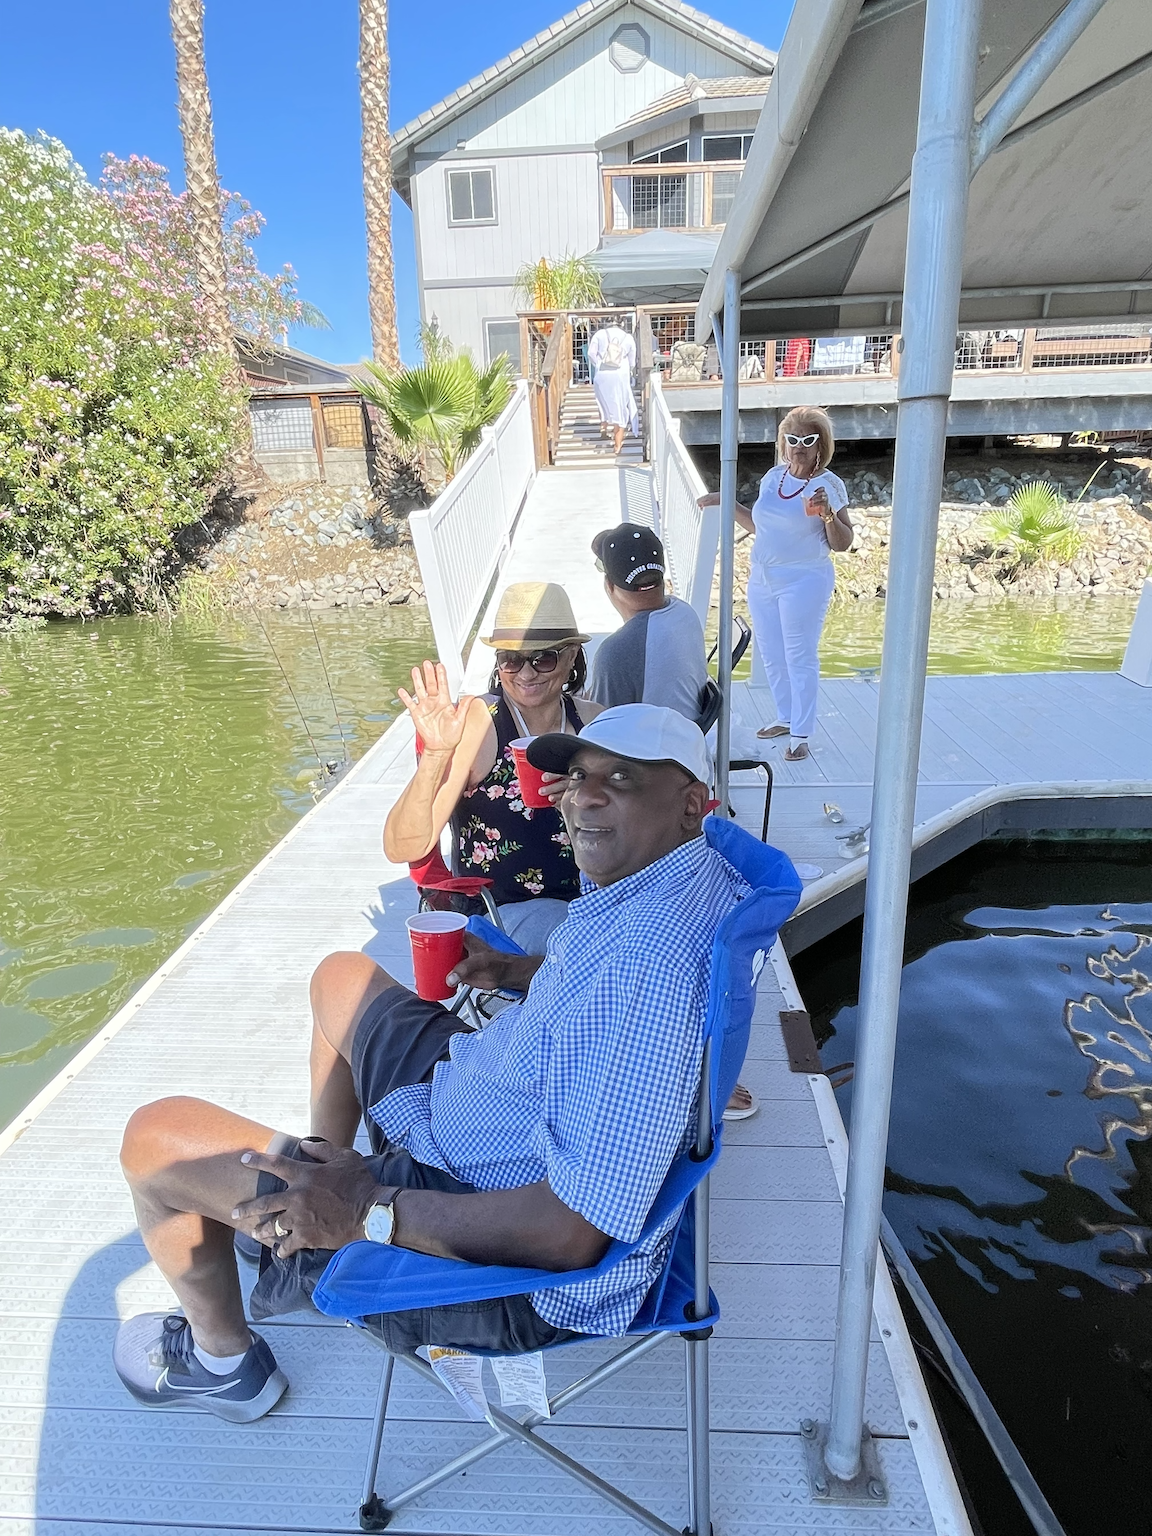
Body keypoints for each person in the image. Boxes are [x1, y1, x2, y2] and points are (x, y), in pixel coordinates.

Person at [112, 705, 754, 1420]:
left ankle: (223, 1361)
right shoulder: (683, 880)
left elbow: (570, 1236)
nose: (583, 796)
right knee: (342, 980)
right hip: (486, 1097)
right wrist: (515, 972)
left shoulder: (650, 970)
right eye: (576, 777)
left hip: (494, 1241)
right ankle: (301, 1207)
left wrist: (363, 1212)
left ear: (693, 804)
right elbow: (597, 994)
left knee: (155, 1139)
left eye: (623, 779)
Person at [383, 582, 600, 954]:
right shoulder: (480, 723)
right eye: (511, 659)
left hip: (597, 900)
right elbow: (403, 845)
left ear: (572, 656)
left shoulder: (594, 722)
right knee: (582, 945)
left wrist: (588, 793)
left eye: (544, 658)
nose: (526, 673)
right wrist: (436, 754)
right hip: (506, 913)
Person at [698, 406, 853, 762]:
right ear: (783, 443)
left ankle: (801, 731)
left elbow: (843, 543)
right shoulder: (774, 477)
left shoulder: (827, 485)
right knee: (770, 651)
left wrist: (828, 512)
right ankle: (785, 716)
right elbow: (759, 526)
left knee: (799, 654)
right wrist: (727, 501)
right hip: (764, 576)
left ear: (820, 445)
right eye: (792, 439)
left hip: (804, 578)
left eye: (808, 440)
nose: (799, 447)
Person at [587, 524, 708, 723]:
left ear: (609, 585)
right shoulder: (684, 613)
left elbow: (602, 730)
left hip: (652, 751)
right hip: (687, 738)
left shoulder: (617, 651)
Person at [587, 323, 638, 457]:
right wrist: (628, 368)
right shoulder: (628, 338)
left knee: (602, 402)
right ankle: (617, 445)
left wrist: (598, 364)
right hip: (620, 375)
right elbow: (632, 362)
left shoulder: (599, 334)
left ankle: (603, 428)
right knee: (620, 407)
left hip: (602, 373)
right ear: (621, 325)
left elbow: (591, 353)